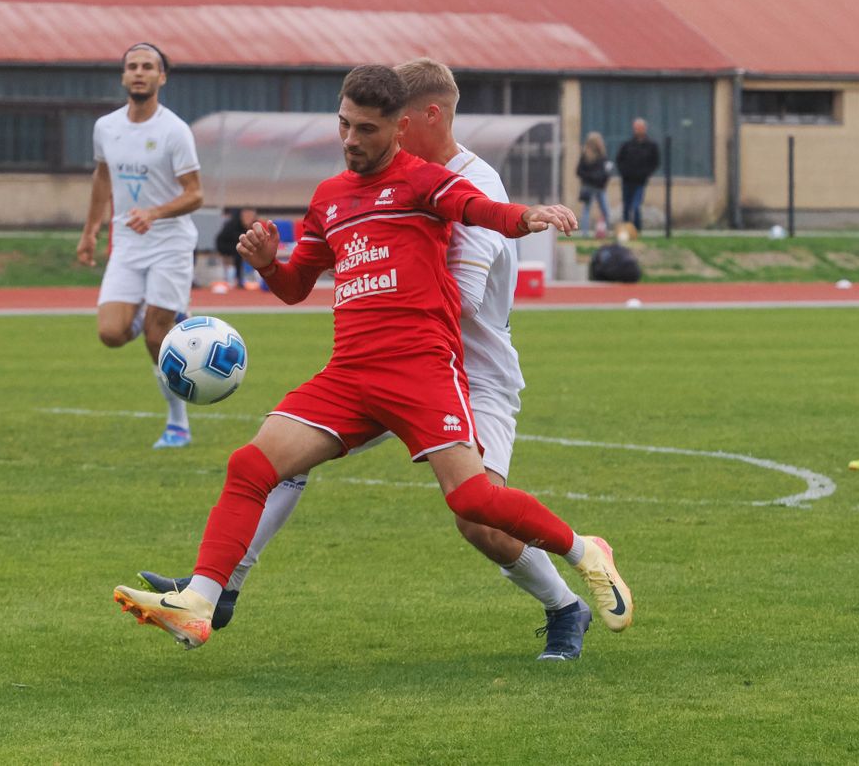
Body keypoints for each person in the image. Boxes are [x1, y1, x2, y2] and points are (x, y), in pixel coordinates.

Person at [113, 65, 634, 651]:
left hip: (439, 368)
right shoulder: (330, 197)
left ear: (401, 126)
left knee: (473, 508)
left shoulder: (428, 180)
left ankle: (583, 554)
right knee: (254, 464)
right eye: (343, 125)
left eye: (365, 128)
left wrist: (527, 218)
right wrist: (266, 263)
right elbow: (293, 285)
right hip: (352, 374)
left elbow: (478, 212)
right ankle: (205, 599)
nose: (350, 140)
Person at [76, 43, 204, 449]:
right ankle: (156, 311)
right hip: (129, 244)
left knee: (156, 338)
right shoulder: (106, 127)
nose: (139, 73)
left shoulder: (174, 130)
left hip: (169, 243)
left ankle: (177, 423)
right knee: (111, 334)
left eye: (148, 67)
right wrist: (90, 229)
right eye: (132, 66)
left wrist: (155, 212)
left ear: (161, 77)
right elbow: (102, 176)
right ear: (123, 76)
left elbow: (195, 194)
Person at [615, 118, 660, 233]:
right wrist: (624, 172)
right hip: (627, 180)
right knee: (626, 206)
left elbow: (655, 162)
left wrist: (646, 173)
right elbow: (619, 160)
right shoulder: (627, 145)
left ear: (644, 129)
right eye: (635, 128)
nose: (637, 130)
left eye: (639, 128)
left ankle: (637, 229)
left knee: (635, 206)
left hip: (640, 181)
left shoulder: (651, 145)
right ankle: (625, 230)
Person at [575, 130, 613, 237]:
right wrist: (592, 177)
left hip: (598, 187)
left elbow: (606, 171)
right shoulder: (587, 156)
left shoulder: (602, 156)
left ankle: (600, 231)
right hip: (591, 186)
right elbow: (579, 171)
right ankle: (586, 232)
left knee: (601, 210)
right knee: (591, 209)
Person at [215, 207, 258, 288]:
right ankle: (238, 278)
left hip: (239, 245)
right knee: (239, 253)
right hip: (225, 244)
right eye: (246, 216)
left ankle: (254, 277)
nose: (248, 218)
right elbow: (234, 239)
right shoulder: (234, 224)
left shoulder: (254, 225)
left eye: (250, 216)